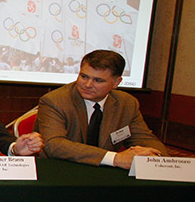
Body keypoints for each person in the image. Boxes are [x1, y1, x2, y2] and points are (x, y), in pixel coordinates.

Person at [35, 49, 167, 169]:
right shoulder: (55, 101)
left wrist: (156, 158)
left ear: (116, 82)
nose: (87, 85)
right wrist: (116, 158)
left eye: (98, 80)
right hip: (61, 169)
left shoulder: (126, 103)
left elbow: (144, 138)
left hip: (105, 172)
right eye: (84, 76)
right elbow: (55, 145)